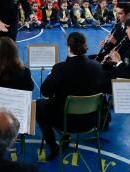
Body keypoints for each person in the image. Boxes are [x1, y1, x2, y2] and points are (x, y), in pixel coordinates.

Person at [36, 32, 106, 160]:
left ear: (69, 47)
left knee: (37, 106)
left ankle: (53, 145)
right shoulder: (97, 66)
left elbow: (45, 92)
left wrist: (52, 74)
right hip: (91, 120)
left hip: (66, 121)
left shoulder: (60, 68)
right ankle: (65, 137)